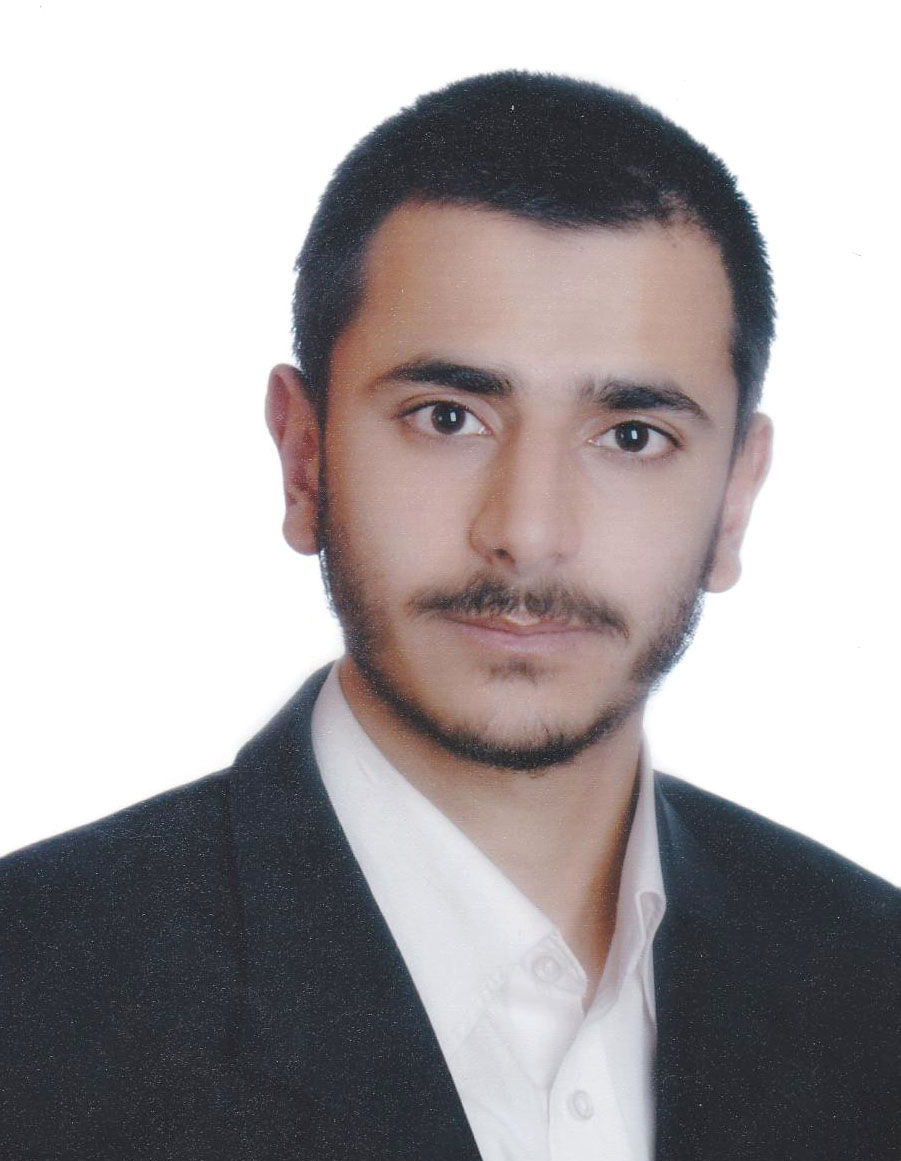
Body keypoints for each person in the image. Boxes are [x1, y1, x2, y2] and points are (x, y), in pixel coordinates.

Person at [0, 71, 897, 1161]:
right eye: (446, 416)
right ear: (303, 456)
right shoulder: (31, 999)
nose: (526, 532)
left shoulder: (873, 986)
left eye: (631, 436)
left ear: (735, 497)